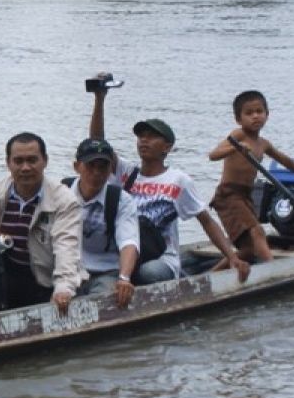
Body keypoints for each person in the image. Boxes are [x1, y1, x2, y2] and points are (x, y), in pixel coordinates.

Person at [87, 80, 250, 285]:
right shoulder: (126, 173)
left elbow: (206, 220)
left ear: (167, 147)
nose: (144, 141)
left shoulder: (178, 181)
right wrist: (99, 99)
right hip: (126, 251)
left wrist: (232, 257)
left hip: (160, 257)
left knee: (149, 273)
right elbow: (97, 143)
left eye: (152, 137)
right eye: (141, 137)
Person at [0, 132, 86, 313]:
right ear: (8, 163)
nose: (25, 167)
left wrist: (63, 288)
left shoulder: (64, 201)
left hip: (44, 280)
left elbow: (67, 246)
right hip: (3, 277)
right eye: (18, 161)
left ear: (45, 161)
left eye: (32, 160)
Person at [207, 90, 294, 264]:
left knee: (248, 251)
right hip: (229, 194)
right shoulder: (238, 135)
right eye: (249, 113)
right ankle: (272, 268)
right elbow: (213, 155)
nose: (255, 116)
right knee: (258, 231)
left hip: (246, 196)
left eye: (259, 112)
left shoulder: (263, 144)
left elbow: (285, 160)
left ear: (267, 115)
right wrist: (236, 148)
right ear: (238, 119)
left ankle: (212, 275)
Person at [68, 138, 139, 309]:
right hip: (69, 271)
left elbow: (129, 242)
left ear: (110, 170)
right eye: (90, 166)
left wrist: (124, 278)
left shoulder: (121, 200)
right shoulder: (61, 193)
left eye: (103, 167)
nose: (96, 172)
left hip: (106, 272)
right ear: (77, 166)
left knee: (104, 305)